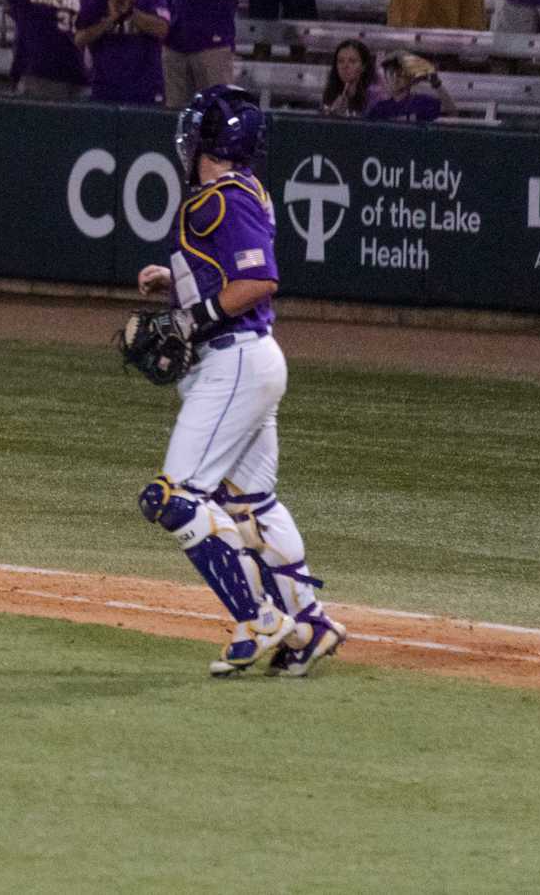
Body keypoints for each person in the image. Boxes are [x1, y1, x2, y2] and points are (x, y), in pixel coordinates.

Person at [134, 85, 341, 678]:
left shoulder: (221, 198)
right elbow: (225, 271)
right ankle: (311, 624)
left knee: (172, 498)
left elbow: (258, 280)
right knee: (252, 502)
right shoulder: (242, 190)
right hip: (250, 357)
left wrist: (189, 317)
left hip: (235, 362)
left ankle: (261, 619)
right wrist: (176, 283)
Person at [74, 0, 169, 106]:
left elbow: (163, 29)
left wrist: (131, 13)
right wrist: (110, 20)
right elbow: (79, 39)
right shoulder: (99, 0)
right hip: (105, 89)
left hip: (145, 89)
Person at [365, 51, 453, 123]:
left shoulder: (423, 102)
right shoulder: (380, 108)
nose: (395, 78)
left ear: (410, 77)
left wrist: (436, 83)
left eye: (400, 74)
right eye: (391, 74)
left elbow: (452, 113)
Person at [319, 38, 379, 117]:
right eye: (340, 61)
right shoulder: (330, 93)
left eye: (352, 61)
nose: (345, 66)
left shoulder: (375, 96)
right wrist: (333, 114)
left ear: (364, 67)